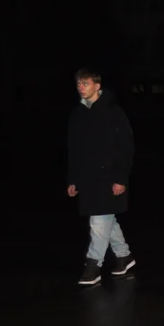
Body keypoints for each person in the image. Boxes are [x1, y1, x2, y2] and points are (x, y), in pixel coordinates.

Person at [68, 68, 137, 286]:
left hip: (109, 178)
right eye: (79, 84)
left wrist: (120, 179)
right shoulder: (78, 114)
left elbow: (126, 146)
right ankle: (124, 257)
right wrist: (72, 179)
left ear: (97, 86)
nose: (81, 88)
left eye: (85, 84)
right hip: (88, 179)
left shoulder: (113, 111)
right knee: (106, 220)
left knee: (99, 221)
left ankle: (93, 265)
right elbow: (73, 149)